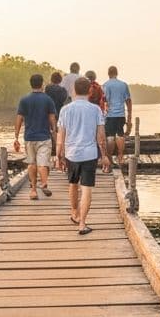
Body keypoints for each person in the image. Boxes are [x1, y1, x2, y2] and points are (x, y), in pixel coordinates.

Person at [56, 75, 110, 234]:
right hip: (89, 154)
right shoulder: (96, 109)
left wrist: (59, 155)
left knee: (72, 184)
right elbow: (101, 136)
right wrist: (105, 155)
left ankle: (74, 213)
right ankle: (82, 224)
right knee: (86, 189)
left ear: (73, 90)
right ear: (89, 91)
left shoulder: (65, 110)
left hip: (71, 154)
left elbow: (61, 136)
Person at [14, 73, 57, 200]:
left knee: (31, 163)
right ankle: (44, 183)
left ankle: (33, 190)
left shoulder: (24, 100)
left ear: (31, 84)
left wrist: (16, 137)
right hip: (44, 136)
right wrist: (54, 132)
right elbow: (52, 119)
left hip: (29, 137)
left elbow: (19, 119)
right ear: (42, 84)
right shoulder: (48, 99)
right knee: (43, 163)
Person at [102, 65, 132, 166]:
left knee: (110, 137)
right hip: (120, 114)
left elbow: (104, 101)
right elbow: (128, 101)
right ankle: (120, 156)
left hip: (109, 115)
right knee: (120, 134)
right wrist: (129, 116)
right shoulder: (123, 85)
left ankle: (110, 157)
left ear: (108, 74)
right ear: (117, 73)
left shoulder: (105, 85)